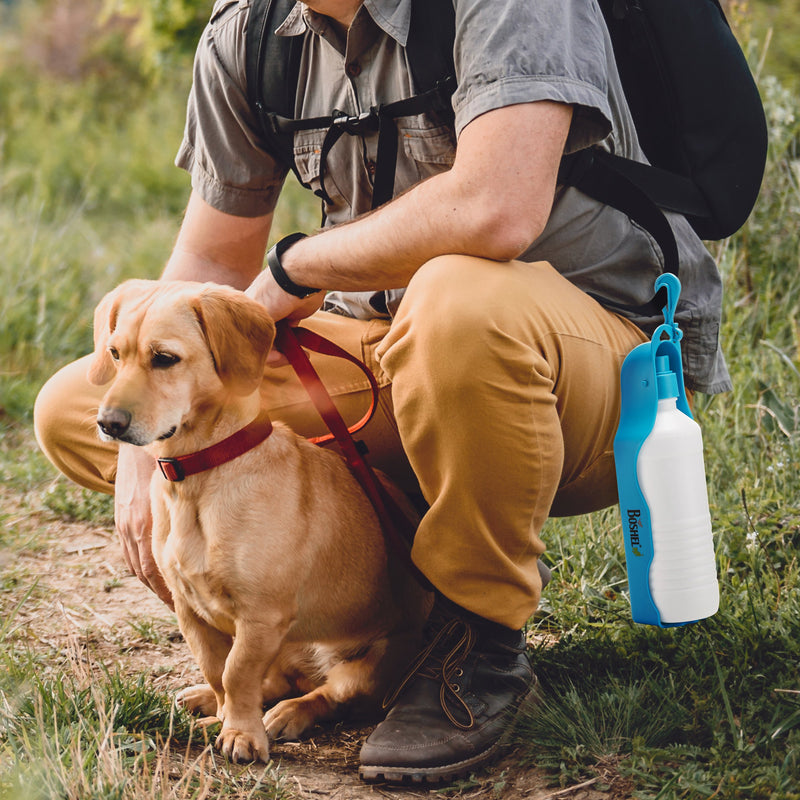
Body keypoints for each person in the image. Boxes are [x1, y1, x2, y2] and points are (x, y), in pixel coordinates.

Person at [34, 0, 731, 784]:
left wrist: (299, 268)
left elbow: (495, 209)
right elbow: (212, 260)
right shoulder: (252, 35)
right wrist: (143, 442)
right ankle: (335, 621)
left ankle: (477, 643)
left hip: (592, 368)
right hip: (390, 348)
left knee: (457, 305)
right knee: (71, 412)